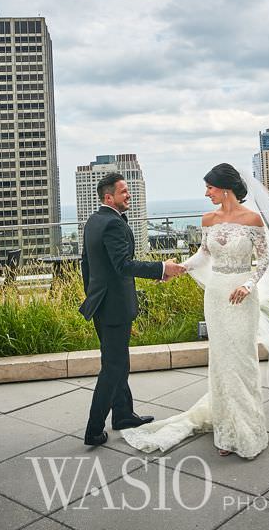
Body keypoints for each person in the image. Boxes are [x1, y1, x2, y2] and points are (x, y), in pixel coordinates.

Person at [120, 163, 269, 459]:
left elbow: (264, 262)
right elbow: (203, 254)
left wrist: (249, 286)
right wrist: (177, 269)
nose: (206, 193)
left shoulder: (253, 219)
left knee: (242, 361)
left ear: (225, 188)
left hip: (241, 296)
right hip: (216, 295)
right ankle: (227, 431)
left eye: (210, 188)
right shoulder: (208, 219)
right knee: (221, 362)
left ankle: (248, 427)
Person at [80, 172, 186, 446]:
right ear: (109, 197)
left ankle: (123, 415)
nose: (129, 195)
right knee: (113, 367)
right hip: (114, 307)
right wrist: (163, 268)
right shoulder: (113, 224)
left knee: (118, 362)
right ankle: (93, 430)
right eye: (124, 191)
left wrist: (93, 295)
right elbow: (123, 265)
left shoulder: (94, 221)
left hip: (101, 304)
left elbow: (86, 265)